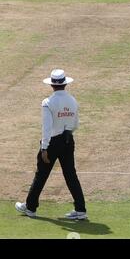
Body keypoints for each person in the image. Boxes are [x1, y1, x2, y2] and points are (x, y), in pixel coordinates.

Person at [15, 69, 87, 219]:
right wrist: (66, 132)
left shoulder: (48, 102)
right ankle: (80, 210)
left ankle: (30, 207)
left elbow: (46, 128)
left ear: (52, 85)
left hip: (52, 143)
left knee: (41, 174)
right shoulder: (73, 101)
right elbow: (75, 124)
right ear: (65, 84)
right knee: (71, 175)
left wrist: (44, 148)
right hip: (68, 140)